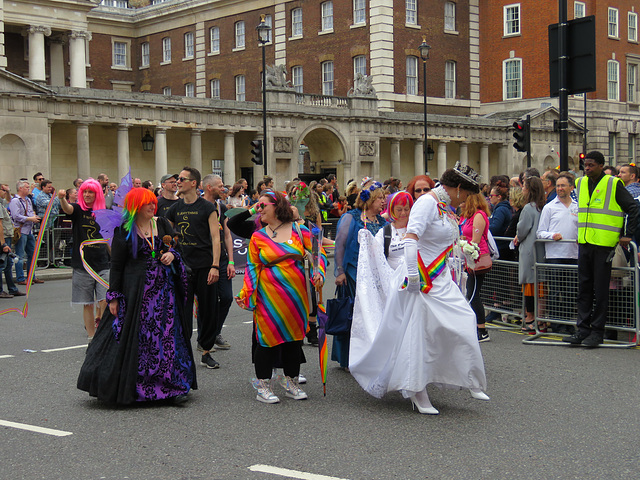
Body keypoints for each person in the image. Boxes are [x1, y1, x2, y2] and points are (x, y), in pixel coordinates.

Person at [349, 163, 488, 415]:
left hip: (440, 276)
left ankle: (469, 377)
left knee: (463, 320)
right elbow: (411, 239)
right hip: (420, 277)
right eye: (467, 194)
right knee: (418, 334)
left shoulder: (445, 206)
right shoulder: (427, 203)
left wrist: (464, 254)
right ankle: (417, 390)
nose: (467, 200)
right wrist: (413, 276)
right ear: (457, 188)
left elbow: (445, 239)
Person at [77, 187, 196, 405]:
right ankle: (139, 388)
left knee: (166, 338)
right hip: (135, 291)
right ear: (136, 207)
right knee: (139, 340)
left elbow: (175, 247)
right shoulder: (124, 230)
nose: (153, 206)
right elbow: (117, 266)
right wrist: (113, 296)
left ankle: (171, 387)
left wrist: (171, 254)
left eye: (153, 202)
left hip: (163, 293)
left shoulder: (162, 224)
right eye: (147, 203)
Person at [235, 191, 325, 403]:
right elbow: (251, 267)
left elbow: (317, 253)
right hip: (268, 296)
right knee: (266, 340)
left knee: (294, 339)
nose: (260, 209)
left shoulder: (298, 229)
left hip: (296, 295)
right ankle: (263, 386)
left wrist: (318, 272)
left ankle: (291, 384)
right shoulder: (258, 236)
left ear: (277, 207)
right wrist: (247, 294)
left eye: (263, 205)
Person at [563, 151, 639, 347]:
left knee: (601, 291)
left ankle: (597, 332)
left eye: (591, 165)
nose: (586, 168)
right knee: (584, 289)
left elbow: (633, 208)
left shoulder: (613, 184)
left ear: (600, 165)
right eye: (585, 165)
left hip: (604, 245)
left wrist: (627, 234)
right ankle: (583, 330)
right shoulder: (580, 183)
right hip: (586, 242)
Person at [166, 167, 222, 369]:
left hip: (206, 266)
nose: (178, 181)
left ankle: (206, 350)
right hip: (183, 267)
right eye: (177, 178)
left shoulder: (207, 207)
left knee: (208, 310)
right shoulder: (175, 208)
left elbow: (216, 238)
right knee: (183, 310)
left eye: (181, 178)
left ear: (194, 183)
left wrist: (215, 266)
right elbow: (167, 235)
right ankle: (183, 350)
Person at [333, 181, 387, 370]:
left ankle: (370, 354)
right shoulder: (351, 217)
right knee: (353, 314)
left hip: (376, 275)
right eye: (379, 197)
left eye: (383, 197)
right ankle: (348, 357)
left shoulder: (382, 221)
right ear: (369, 199)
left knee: (373, 314)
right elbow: (339, 244)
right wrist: (340, 271)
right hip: (353, 272)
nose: (383, 200)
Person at [58, 179, 109, 342]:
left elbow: (108, 239)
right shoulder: (79, 210)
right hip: (82, 265)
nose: (87, 195)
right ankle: (91, 336)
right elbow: (68, 209)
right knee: (87, 303)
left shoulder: (104, 212)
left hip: (102, 263)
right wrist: (62, 198)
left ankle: (104, 332)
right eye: (84, 192)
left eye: (91, 192)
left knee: (105, 300)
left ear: (97, 194)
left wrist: (116, 259)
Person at [536, 172, 578, 334]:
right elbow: (540, 232)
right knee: (555, 291)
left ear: (571, 187)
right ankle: (556, 323)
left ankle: (567, 323)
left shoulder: (577, 207)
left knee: (570, 292)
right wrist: (552, 235)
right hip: (555, 256)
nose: (560, 188)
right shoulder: (549, 207)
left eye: (563, 185)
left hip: (573, 255)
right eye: (558, 185)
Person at [201, 174, 235, 350]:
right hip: (205, 261)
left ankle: (216, 332)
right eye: (220, 186)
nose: (224, 189)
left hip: (222, 261)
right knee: (210, 301)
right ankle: (206, 337)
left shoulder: (221, 207)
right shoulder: (199, 207)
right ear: (209, 187)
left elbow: (227, 235)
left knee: (227, 297)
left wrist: (231, 261)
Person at [459, 193, 493, 342]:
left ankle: (482, 330)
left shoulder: (479, 215)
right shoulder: (467, 216)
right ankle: (476, 327)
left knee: (473, 295)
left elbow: (475, 240)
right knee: (470, 293)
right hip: (469, 258)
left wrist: (464, 244)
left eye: (463, 200)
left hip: (477, 257)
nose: (460, 202)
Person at [514, 176, 546, 333]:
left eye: (524, 187)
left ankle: (531, 318)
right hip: (541, 250)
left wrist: (517, 238)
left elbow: (522, 229)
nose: (522, 189)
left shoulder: (528, 208)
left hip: (529, 249)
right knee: (541, 286)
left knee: (529, 284)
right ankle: (542, 319)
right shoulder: (543, 206)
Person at [10, 179, 43, 285]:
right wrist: (30, 219)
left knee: (32, 254)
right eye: (27, 187)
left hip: (29, 230)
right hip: (21, 230)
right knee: (20, 255)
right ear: (20, 188)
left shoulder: (28, 200)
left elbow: (29, 212)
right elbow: (16, 216)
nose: (29, 189)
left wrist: (34, 217)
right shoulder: (15, 201)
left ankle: (31, 276)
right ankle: (20, 278)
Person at [0, 201, 25, 298]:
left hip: (6, 236)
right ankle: (1, 290)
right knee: (3, 264)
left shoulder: (2, 203)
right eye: (4, 190)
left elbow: (7, 199)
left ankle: (12, 288)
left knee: (8, 264)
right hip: (3, 238)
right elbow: (0, 225)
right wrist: (3, 243)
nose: (5, 192)